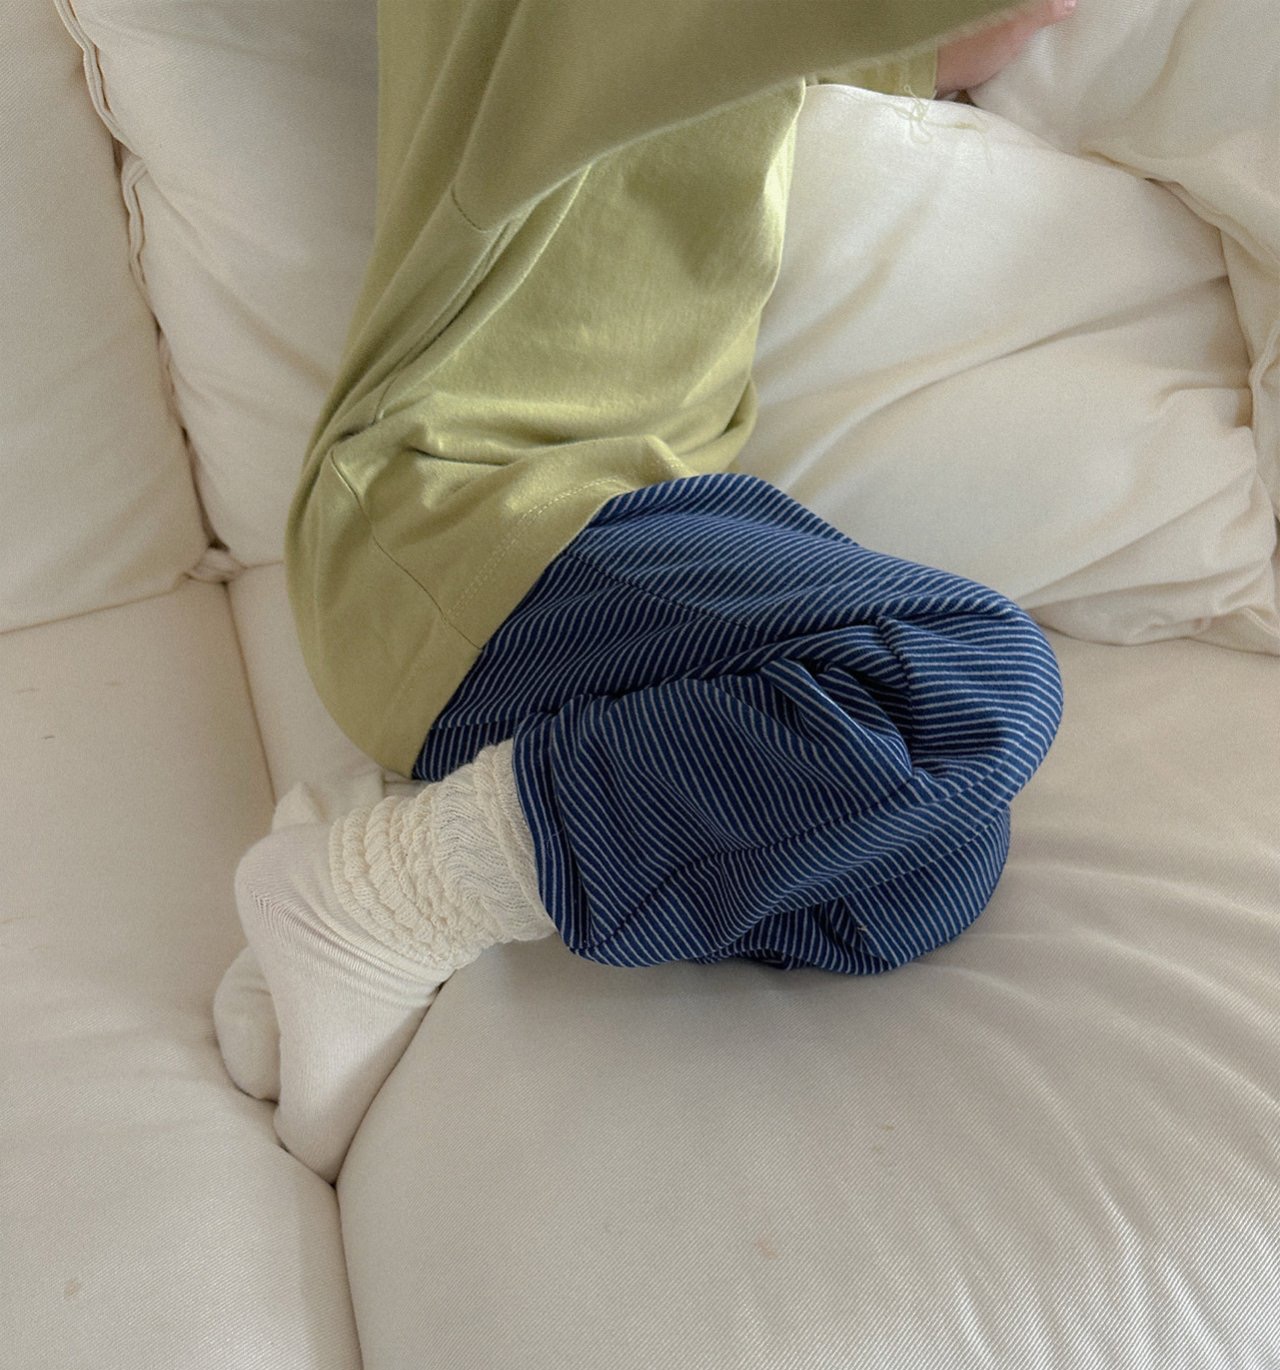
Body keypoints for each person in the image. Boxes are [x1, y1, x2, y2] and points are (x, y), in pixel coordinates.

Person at [215, 0, 1074, 1156]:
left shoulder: (742, 47)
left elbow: (940, 39)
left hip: (625, 535)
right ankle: (386, 897)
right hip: (458, 513)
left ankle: (432, 815)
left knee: (925, 872)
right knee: (969, 679)